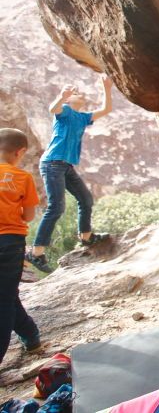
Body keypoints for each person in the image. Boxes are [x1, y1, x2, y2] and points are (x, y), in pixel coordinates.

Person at [27, 75, 114, 273]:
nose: (80, 94)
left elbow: (106, 109)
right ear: (68, 100)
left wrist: (106, 88)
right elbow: (53, 109)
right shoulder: (64, 111)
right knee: (56, 207)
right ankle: (36, 252)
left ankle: (86, 236)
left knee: (85, 199)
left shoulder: (82, 117)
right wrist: (61, 95)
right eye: (75, 93)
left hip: (66, 166)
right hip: (52, 164)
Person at [0, 128, 41, 363]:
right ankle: (31, 337)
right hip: (10, 242)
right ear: (20, 152)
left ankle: (31, 336)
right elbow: (27, 216)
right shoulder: (22, 178)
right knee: (5, 298)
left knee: (5, 294)